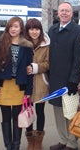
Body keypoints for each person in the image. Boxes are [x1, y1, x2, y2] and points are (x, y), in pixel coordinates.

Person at [0, 16, 33, 150]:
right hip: (4, 87)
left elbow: (29, 70)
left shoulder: (27, 46)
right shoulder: (0, 43)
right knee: (6, 118)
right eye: (11, 26)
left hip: (19, 87)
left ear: (21, 29)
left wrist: (28, 91)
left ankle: (16, 146)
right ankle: (8, 146)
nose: (13, 29)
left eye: (16, 26)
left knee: (17, 119)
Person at [48, 2, 80, 150]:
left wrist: (73, 80)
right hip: (54, 79)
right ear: (58, 13)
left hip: (70, 81)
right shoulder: (52, 30)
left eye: (67, 11)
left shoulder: (78, 31)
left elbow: (78, 59)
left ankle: (72, 142)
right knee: (58, 112)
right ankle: (63, 140)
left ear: (72, 13)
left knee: (70, 113)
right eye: (61, 10)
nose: (64, 13)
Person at [25, 18, 50, 150]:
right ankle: (30, 140)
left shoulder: (46, 44)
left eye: (36, 29)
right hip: (26, 83)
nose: (34, 32)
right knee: (27, 111)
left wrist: (35, 68)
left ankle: (38, 141)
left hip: (41, 82)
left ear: (40, 30)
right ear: (27, 30)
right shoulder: (22, 43)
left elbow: (48, 63)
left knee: (40, 111)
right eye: (31, 29)